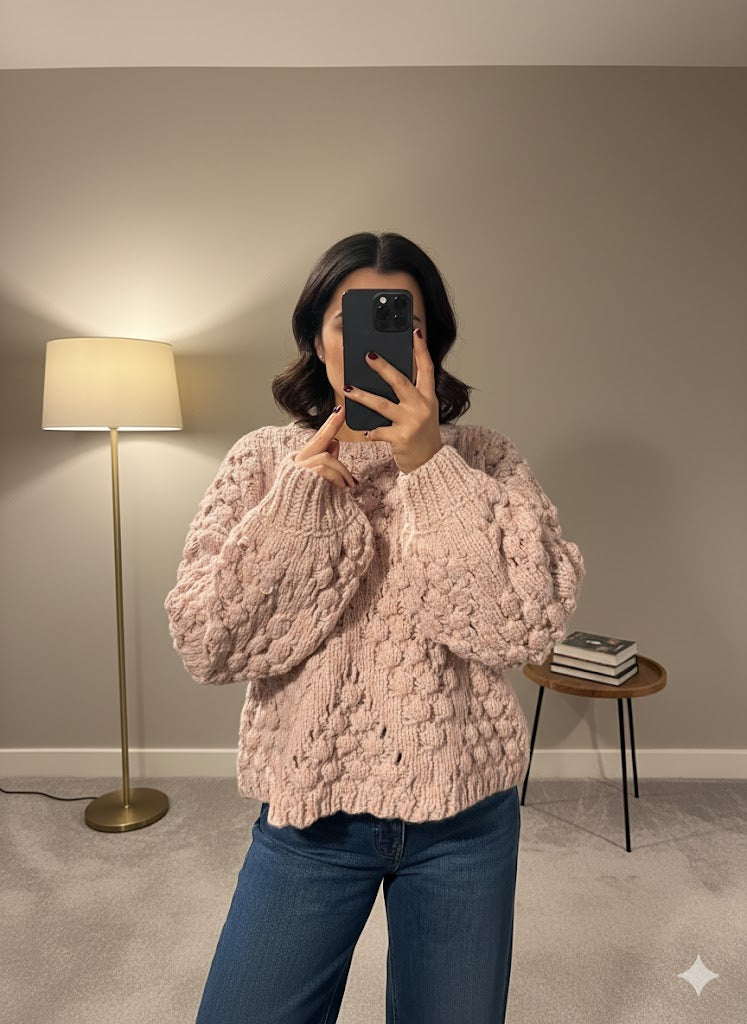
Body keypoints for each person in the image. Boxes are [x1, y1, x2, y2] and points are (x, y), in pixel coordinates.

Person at [164, 231, 586, 1024]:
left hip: (465, 817)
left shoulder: (486, 460)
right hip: (311, 811)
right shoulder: (263, 462)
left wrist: (430, 467)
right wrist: (296, 508)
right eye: (348, 321)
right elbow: (209, 643)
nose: (376, 345)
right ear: (316, 339)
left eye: (404, 323)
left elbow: (520, 627)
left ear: (431, 342)